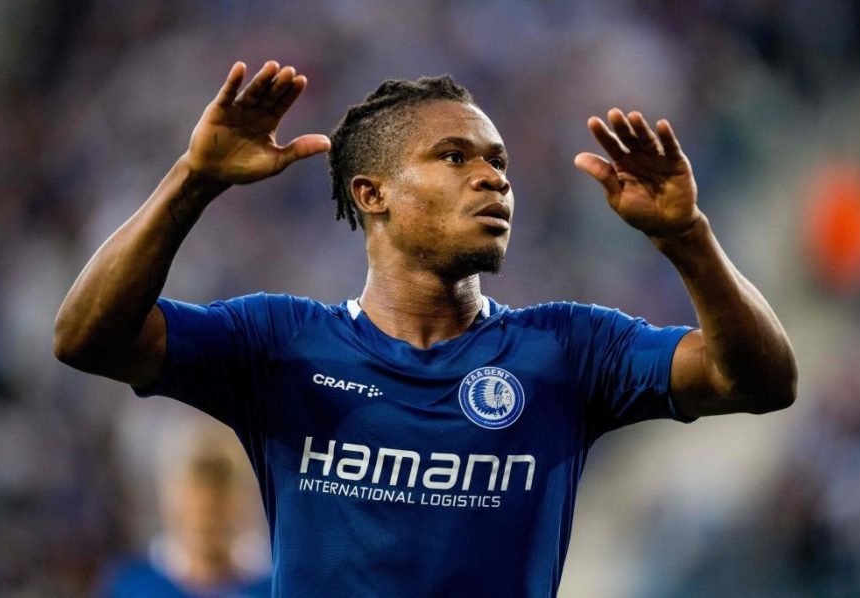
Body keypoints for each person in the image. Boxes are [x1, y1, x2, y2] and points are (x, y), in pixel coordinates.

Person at [54, 60, 797, 596]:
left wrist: (686, 236)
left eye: (498, 162)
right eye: (454, 156)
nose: (493, 177)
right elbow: (87, 338)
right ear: (371, 193)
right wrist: (195, 180)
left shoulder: (568, 350)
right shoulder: (278, 345)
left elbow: (760, 381)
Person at [98, 421, 271, 597]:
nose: (204, 524)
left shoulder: (273, 585)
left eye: (216, 512)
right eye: (196, 510)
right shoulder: (132, 586)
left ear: (242, 506)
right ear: (171, 503)